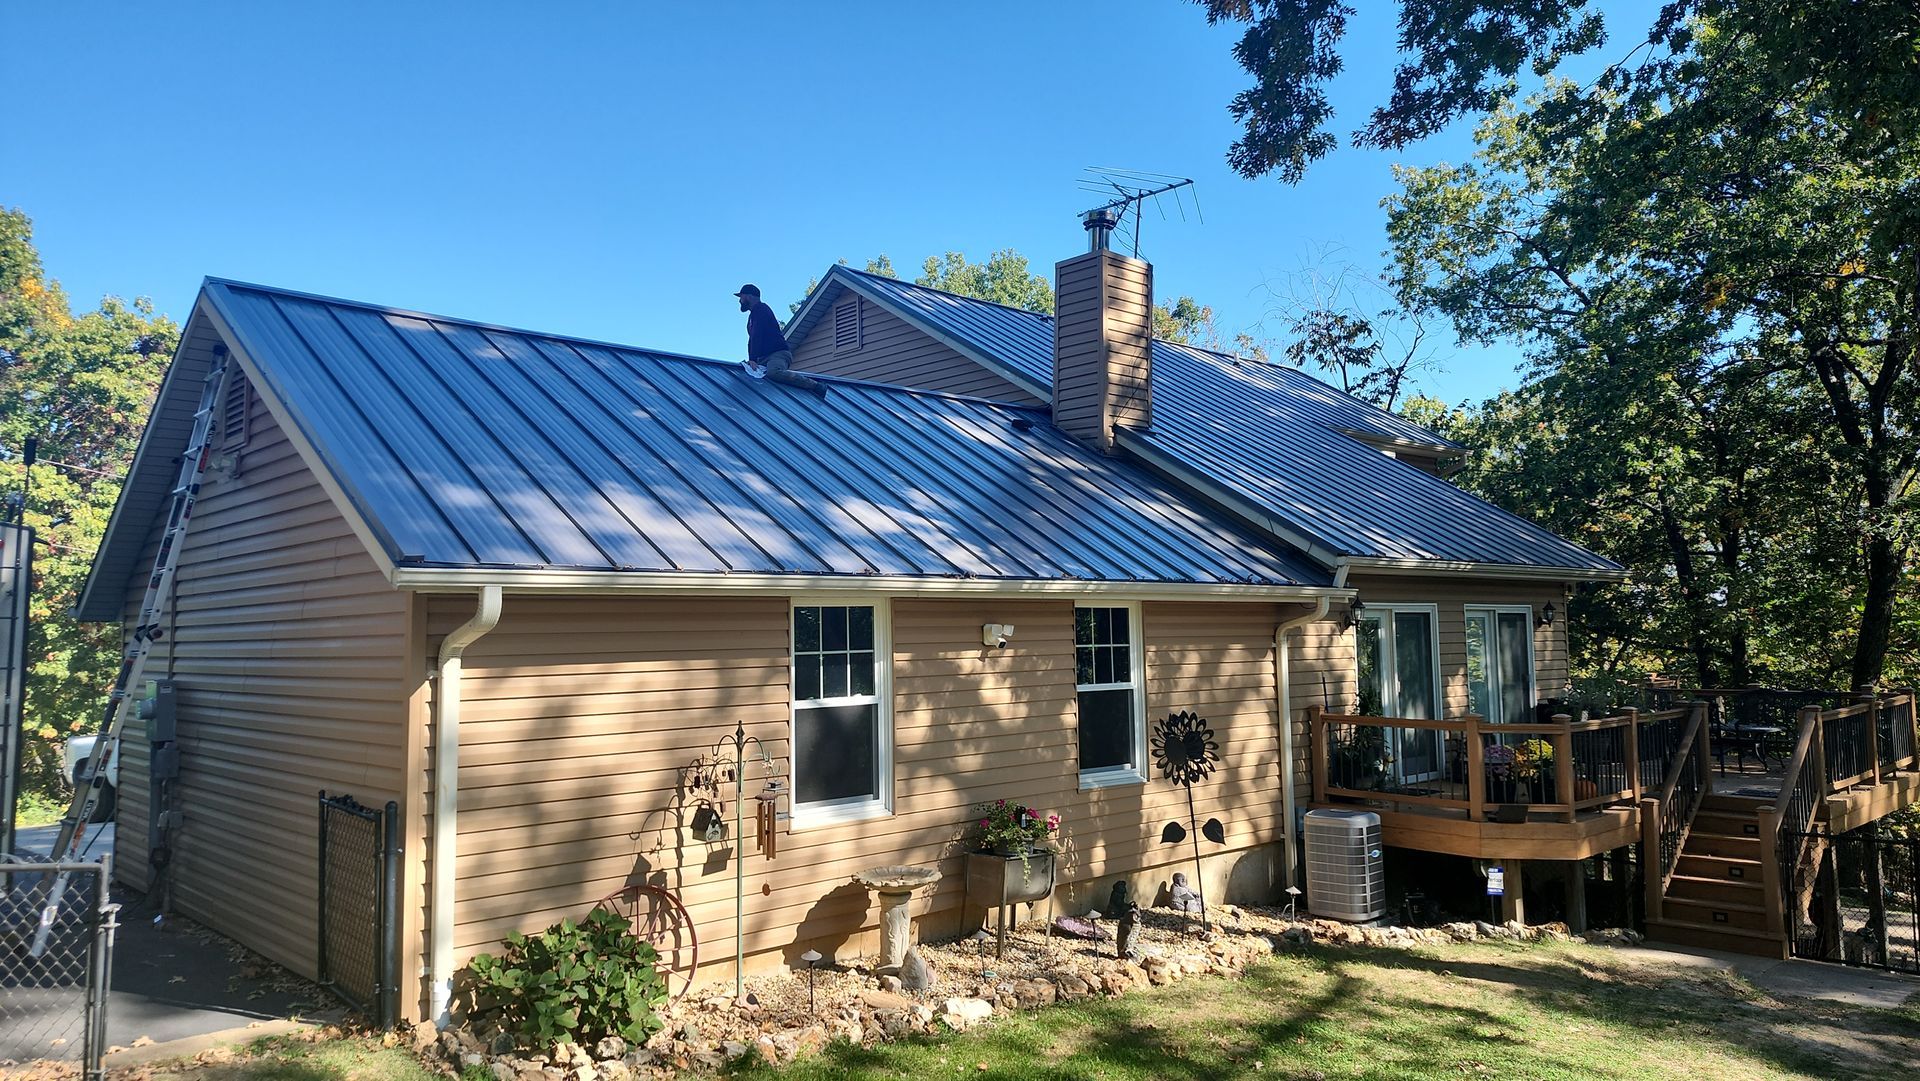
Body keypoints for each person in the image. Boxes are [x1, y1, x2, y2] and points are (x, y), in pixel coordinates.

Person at [734, 284, 826, 398]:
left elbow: (758, 335)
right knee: (746, 371)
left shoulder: (761, 309)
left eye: (741, 297)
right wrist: (752, 360)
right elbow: (752, 339)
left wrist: (753, 359)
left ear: (749, 297)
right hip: (763, 358)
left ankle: (815, 385)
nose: (740, 301)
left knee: (773, 372)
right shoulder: (752, 317)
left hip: (778, 354)